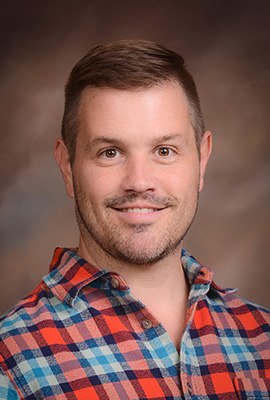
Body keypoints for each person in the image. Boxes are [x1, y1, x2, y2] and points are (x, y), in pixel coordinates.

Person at [0, 40, 269, 400]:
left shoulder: (262, 339)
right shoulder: (11, 361)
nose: (140, 181)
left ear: (201, 161)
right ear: (67, 166)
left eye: (164, 151)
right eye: (110, 152)